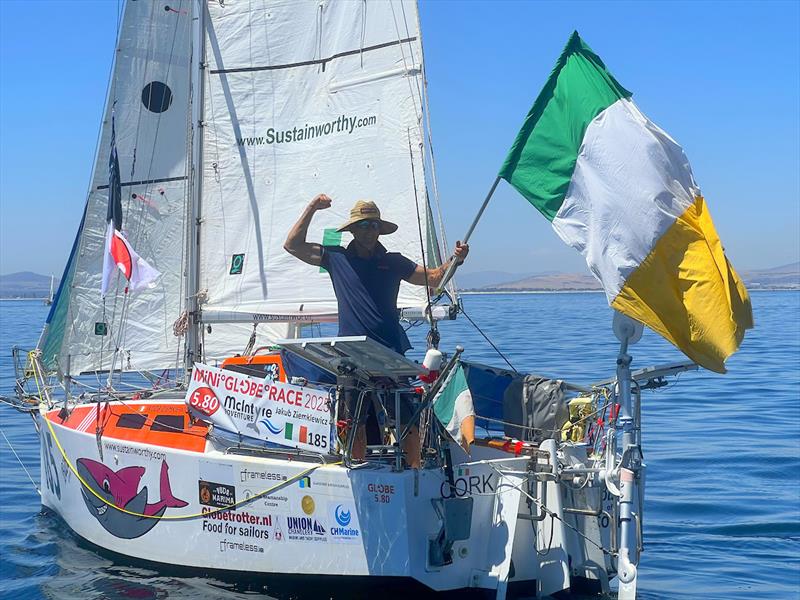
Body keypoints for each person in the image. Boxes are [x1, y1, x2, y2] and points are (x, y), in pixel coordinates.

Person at [284, 195, 469, 466]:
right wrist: (312, 208)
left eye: (373, 225)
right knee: (352, 420)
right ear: (352, 230)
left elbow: (434, 278)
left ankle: (414, 471)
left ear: (379, 230)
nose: (369, 230)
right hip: (350, 355)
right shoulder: (335, 258)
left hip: (388, 352)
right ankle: (358, 468)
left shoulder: (393, 262)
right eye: (363, 225)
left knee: (406, 417)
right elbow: (292, 245)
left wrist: (456, 259)